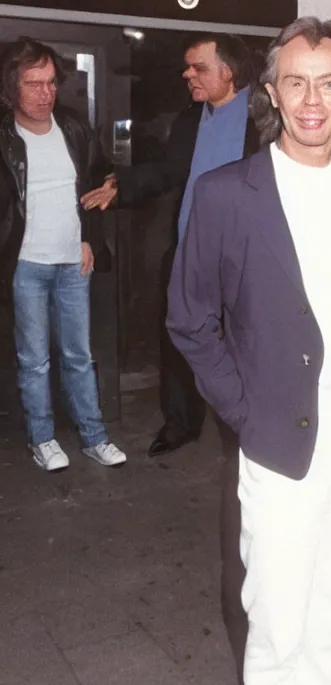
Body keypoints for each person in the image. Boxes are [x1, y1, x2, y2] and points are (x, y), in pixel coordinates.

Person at [168, 17, 331, 685]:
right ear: (271, 92)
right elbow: (190, 320)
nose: (312, 99)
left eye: (329, 82)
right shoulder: (227, 193)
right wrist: (243, 409)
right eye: (296, 81)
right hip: (277, 428)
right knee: (276, 600)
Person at [82, 32, 259, 458]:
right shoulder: (190, 120)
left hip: (245, 260)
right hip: (190, 254)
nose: (187, 74)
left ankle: (254, 422)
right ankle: (181, 422)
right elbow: (168, 171)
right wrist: (122, 185)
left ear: (227, 72)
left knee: (248, 342)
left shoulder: (265, 121)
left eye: (198, 67)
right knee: (181, 336)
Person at [0, 38, 126, 472]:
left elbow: (98, 179)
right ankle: (43, 439)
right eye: (34, 84)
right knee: (34, 360)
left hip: (75, 261)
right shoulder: (4, 138)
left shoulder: (73, 128)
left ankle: (94, 436)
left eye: (51, 82)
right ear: (11, 87)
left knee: (79, 354)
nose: (45, 93)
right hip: (26, 265)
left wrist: (89, 234)